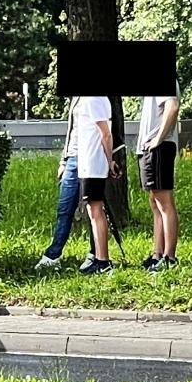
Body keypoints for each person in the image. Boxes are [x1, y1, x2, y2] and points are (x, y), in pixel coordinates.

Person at [34, 97, 82, 269]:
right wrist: (64, 160)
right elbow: (71, 130)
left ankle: (96, 255)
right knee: (64, 208)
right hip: (72, 158)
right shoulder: (75, 99)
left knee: (94, 209)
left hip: (88, 158)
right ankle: (53, 254)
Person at [137, 86, 181, 270]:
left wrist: (158, 139)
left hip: (159, 149)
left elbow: (173, 106)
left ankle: (169, 258)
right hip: (149, 149)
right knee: (155, 202)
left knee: (165, 203)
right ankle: (158, 254)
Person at [73, 94, 117, 274]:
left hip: (94, 163)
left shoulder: (95, 98)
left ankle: (103, 260)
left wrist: (110, 160)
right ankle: (99, 258)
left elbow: (105, 134)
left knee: (96, 210)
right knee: (93, 210)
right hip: (88, 163)